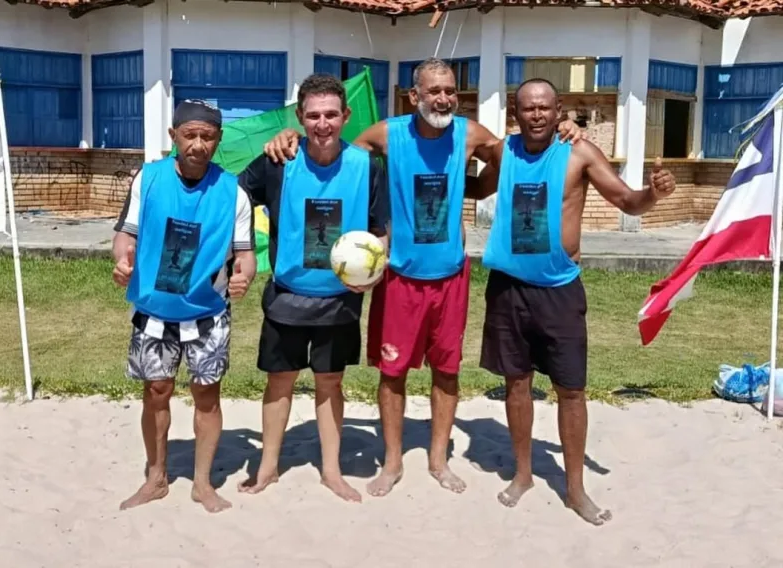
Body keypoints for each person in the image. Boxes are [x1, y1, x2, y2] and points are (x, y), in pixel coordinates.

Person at [263, 58, 584, 498]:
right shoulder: (387, 135)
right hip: (399, 278)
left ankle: (437, 460)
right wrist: (291, 139)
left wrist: (565, 129)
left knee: (446, 373)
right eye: (433, 90)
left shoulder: (469, 134)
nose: (443, 98)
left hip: (450, 277)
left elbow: (518, 151)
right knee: (392, 373)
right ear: (414, 96)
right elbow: (332, 152)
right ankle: (392, 462)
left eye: (450, 90)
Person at [466, 78, 676, 525]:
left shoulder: (579, 152)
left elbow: (626, 200)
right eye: (527, 108)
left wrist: (654, 193)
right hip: (507, 288)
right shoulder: (504, 153)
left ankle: (575, 488)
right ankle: (522, 474)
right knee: (516, 383)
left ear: (558, 108)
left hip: (559, 290)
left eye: (544, 107)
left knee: (571, 389)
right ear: (515, 112)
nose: (536, 115)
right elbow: (475, 189)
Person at [236, 73, 390, 502]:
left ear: (346, 116)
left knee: (329, 384)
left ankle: (331, 470)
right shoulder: (278, 160)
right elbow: (232, 200)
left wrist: (375, 265)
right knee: (279, 382)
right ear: (300, 118)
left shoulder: (367, 166)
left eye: (331, 115)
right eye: (313, 116)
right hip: (287, 296)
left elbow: (382, 229)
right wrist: (241, 253)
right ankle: (267, 468)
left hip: (340, 300)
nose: (322, 124)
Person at [112, 99, 257, 514]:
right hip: (155, 311)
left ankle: (202, 483)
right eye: (189, 135)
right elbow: (126, 233)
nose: (198, 144)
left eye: (207, 136)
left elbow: (244, 253)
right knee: (156, 392)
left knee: (206, 395)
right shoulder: (149, 178)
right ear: (174, 135)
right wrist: (122, 260)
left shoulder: (233, 192)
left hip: (207, 313)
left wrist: (244, 274)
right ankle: (156, 478)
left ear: (219, 139)